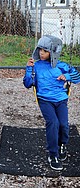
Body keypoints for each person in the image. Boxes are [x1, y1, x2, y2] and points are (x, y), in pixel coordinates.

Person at [23, 35, 80, 171]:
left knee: (64, 125)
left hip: (60, 100)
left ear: (53, 52)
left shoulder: (62, 66)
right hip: (44, 100)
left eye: (45, 51)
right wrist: (28, 69)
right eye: (40, 50)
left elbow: (77, 77)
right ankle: (53, 154)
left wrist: (66, 76)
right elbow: (28, 83)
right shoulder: (36, 66)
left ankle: (62, 144)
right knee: (53, 123)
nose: (42, 53)